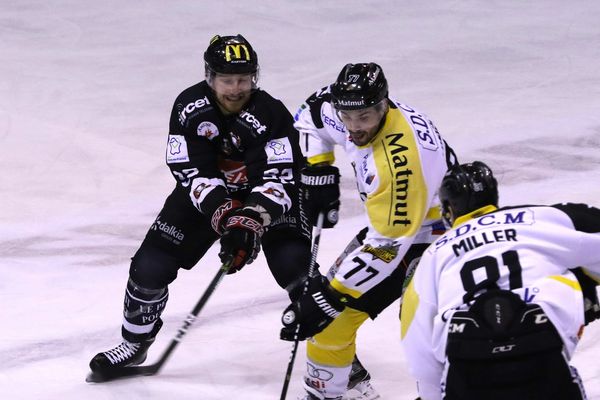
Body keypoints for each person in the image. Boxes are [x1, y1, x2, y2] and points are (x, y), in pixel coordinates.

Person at [88, 34, 313, 379]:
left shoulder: (271, 113)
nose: (236, 88)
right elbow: (191, 172)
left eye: (244, 79)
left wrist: (249, 221)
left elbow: (280, 177)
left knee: (296, 269)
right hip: (209, 196)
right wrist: (226, 215)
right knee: (150, 266)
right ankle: (134, 343)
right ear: (210, 76)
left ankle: (339, 359)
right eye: (227, 79)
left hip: (268, 197)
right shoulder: (189, 106)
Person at [280, 62, 458, 400]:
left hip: (436, 237)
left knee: (428, 335)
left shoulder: (398, 166)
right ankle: (333, 391)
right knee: (330, 323)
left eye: (364, 117)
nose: (354, 127)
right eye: (348, 117)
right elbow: (310, 113)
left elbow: (385, 249)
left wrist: (329, 296)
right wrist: (318, 169)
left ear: (383, 106)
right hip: (395, 227)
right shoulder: (345, 108)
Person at [400, 161, 600, 400]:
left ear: (448, 209)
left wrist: (433, 394)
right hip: (539, 349)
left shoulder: (433, 256)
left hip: (467, 363)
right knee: (573, 270)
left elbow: (417, 340)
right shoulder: (539, 217)